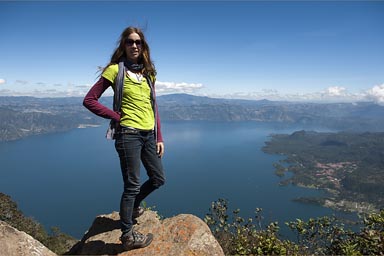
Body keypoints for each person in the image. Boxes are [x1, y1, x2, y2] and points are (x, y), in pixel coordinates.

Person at [83, 26, 165, 251]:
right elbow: (89, 100)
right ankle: (127, 235)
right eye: (130, 42)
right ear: (123, 45)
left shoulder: (149, 73)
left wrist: (159, 136)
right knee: (132, 185)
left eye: (138, 42)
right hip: (128, 134)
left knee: (158, 178)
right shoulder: (114, 71)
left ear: (143, 46)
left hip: (149, 135)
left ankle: (135, 205)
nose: (134, 45)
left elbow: (153, 105)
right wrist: (116, 116)